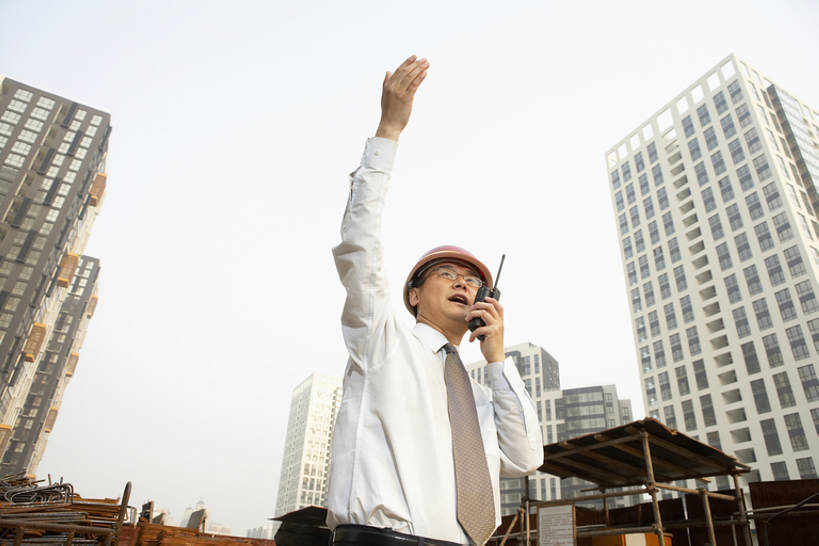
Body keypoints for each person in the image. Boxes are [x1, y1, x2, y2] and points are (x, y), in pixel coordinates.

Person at [327, 55, 544, 546]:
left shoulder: (480, 397)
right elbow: (359, 247)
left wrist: (496, 359)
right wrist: (389, 130)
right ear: (413, 293)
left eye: (472, 280)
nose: (462, 284)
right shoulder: (383, 342)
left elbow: (526, 457)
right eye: (447, 274)